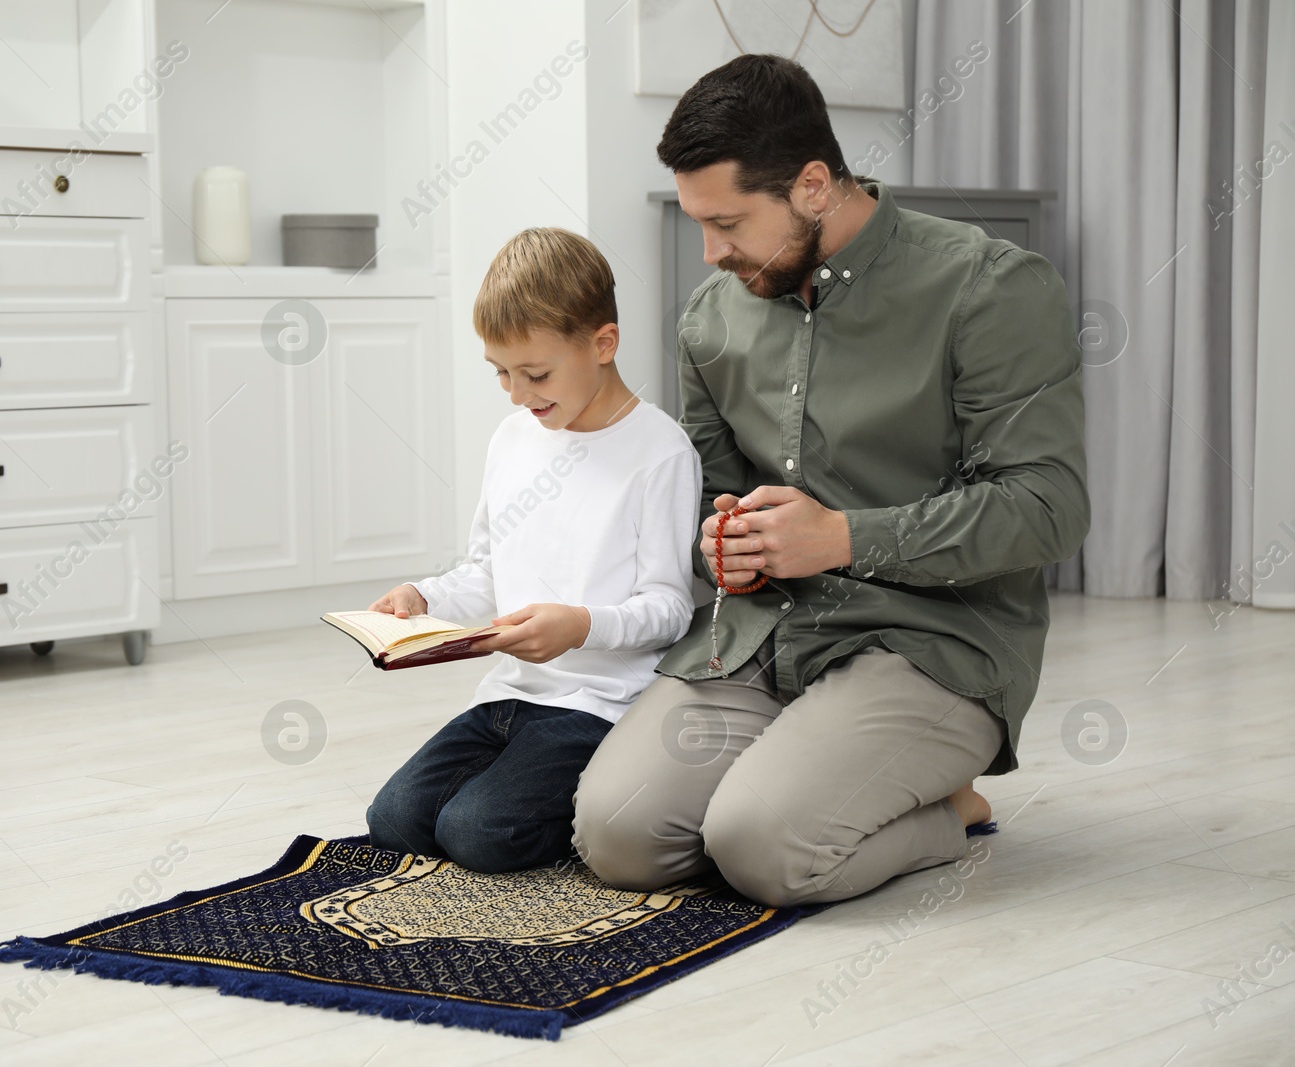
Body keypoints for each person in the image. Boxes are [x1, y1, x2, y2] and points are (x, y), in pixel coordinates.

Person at [572, 54, 1090, 906]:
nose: (710, 252)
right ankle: (809, 775)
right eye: (701, 224)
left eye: (729, 223)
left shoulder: (989, 288)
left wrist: (842, 537)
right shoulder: (712, 321)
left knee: (762, 848)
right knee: (617, 835)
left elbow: (1049, 509)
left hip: (934, 642)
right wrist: (720, 540)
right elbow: (707, 496)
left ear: (814, 185)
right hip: (762, 634)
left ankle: (949, 810)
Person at [365, 227, 701, 874]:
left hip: (597, 706)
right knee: (395, 819)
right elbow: (488, 570)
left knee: (478, 833)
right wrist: (424, 597)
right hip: (508, 693)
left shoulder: (659, 453)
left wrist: (579, 626)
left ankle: (565, 813)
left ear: (604, 343)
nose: (519, 395)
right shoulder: (514, 438)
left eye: (536, 373)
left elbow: (668, 608)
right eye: (501, 375)